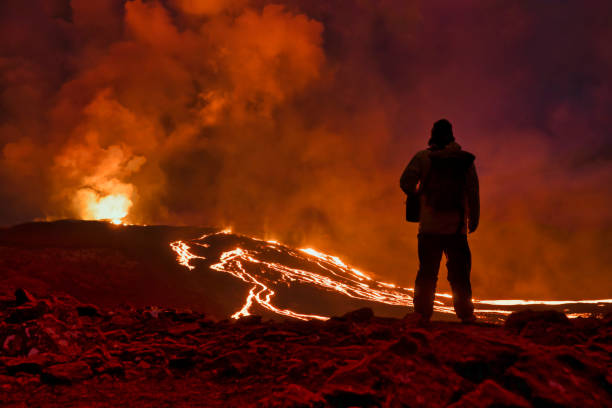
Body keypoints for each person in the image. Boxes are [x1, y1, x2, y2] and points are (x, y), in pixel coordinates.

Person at [400, 119, 479, 325]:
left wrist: (418, 195)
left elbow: (405, 181)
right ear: (452, 136)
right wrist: (474, 218)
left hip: (429, 227)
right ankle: (466, 315)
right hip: (457, 228)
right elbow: (473, 191)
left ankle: (422, 315)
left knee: (427, 272)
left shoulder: (423, 157)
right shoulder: (464, 161)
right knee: (459, 274)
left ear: (432, 135)